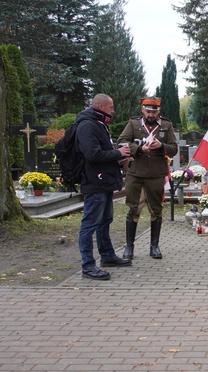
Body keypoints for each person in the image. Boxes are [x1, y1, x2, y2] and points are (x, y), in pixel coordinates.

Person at [76, 94, 132, 280]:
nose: (113, 111)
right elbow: (92, 154)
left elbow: (102, 153)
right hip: (94, 183)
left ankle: (107, 256)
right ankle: (87, 265)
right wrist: (117, 153)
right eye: (111, 107)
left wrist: (119, 158)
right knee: (90, 223)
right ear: (100, 106)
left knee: (105, 220)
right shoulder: (87, 125)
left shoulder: (99, 124)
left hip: (104, 181)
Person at [118, 97, 178, 260]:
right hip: (136, 174)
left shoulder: (166, 125)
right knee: (133, 209)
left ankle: (154, 246)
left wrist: (161, 146)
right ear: (142, 110)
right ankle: (129, 247)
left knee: (156, 210)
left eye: (154, 111)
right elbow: (122, 142)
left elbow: (174, 149)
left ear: (158, 111)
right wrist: (138, 149)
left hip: (156, 175)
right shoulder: (133, 124)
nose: (151, 114)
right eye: (148, 111)